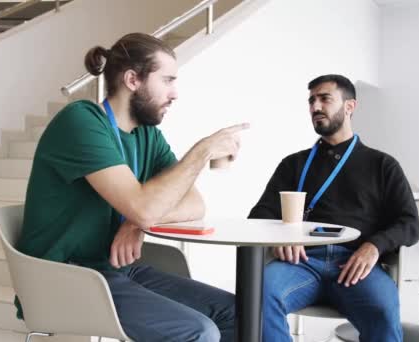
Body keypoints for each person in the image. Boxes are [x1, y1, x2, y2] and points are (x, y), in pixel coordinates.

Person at [17, 32, 247, 342]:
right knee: (199, 332)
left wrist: (134, 222)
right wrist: (203, 151)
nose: (175, 93)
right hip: (65, 277)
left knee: (236, 312)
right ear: (132, 80)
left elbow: (194, 204)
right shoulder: (81, 122)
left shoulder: (146, 136)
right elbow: (146, 208)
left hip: (116, 269)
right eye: (167, 80)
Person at [248, 74, 419, 342]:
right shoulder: (293, 164)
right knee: (256, 294)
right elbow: (259, 215)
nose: (315, 107)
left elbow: (409, 223)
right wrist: (279, 237)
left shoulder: (382, 165)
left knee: (384, 312)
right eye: (311, 101)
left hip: (355, 264)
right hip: (300, 263)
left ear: (350, 106)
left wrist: (373, 246)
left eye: (325, 99)